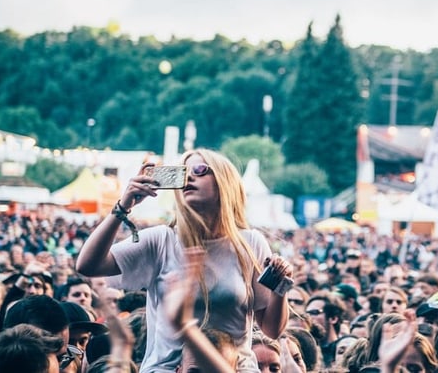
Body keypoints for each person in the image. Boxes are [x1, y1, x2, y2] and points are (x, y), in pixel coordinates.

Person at [76, 150, 292, 372]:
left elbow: (272, 329)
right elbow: (88, 265)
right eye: (184, 172)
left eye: (200, 170)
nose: (189, 177)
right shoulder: (162, 240)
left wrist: (280, 288)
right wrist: (123, 206)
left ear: (224, 182)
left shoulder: (249, 243)